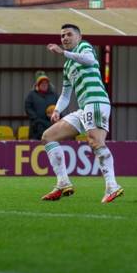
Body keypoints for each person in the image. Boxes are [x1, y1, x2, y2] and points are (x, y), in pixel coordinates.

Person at [41, 24, 123, 203]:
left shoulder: (84, 47)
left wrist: (63, 52)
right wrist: (56, 110)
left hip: (96, 102)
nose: (65, 38)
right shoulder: (68, 65)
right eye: (62, 36)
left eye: (69, 34)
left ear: (79, 36)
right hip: (83, 107)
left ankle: (112, 186)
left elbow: (89, 61)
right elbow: (65, 94)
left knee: (95, 142)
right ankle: (63, 182)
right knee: (48, 137)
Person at [25, 71, 58, 140]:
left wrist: (56, 114)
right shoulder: (32, 95)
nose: (44, 85)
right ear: (38, 85)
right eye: (42, 83)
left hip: (51, 125)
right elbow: (28, 108)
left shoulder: (54, 95)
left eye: (46, 83)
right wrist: (35, 118)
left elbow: (59, 107)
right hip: (36, 127)